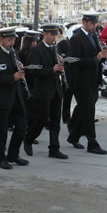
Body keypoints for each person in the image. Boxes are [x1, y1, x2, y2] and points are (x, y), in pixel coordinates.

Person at [0, 26, 29, 169]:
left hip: (16, 95)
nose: (12, 42)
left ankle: (13, 154)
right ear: (1, 39)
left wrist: (20, 69)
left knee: (22, 125)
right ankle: (0, 158)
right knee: (1, 130)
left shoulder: (14, 52)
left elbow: (16, 71)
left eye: (14, 39)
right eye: (9, 39)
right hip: (1, 97)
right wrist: (13, 77)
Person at [23, 24, 68, 159]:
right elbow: (34, 71)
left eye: (55, 35)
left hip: (56, 89)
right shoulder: (37, 50)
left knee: (55, 121)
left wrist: (61, 64)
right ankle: (29, 138)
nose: (53, 37)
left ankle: (54, 148)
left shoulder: (55, 48)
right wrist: (52, 69)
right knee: (41, 119)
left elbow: (56, 66)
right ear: (44, 34)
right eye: (51, 34)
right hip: (43, 90)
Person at [67, 13, 107, 155]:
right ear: (84, 22)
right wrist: (96, 58)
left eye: (95, 23)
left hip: (93, 79)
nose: (94, 25)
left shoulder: (94, 36)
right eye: (92, 23)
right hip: (82, 81)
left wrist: (102, 56)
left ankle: (73, 135)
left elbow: (97, 56)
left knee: (83, 109)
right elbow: (75, 61)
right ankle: (92, 142)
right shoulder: (76, 38)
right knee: (89, 111)